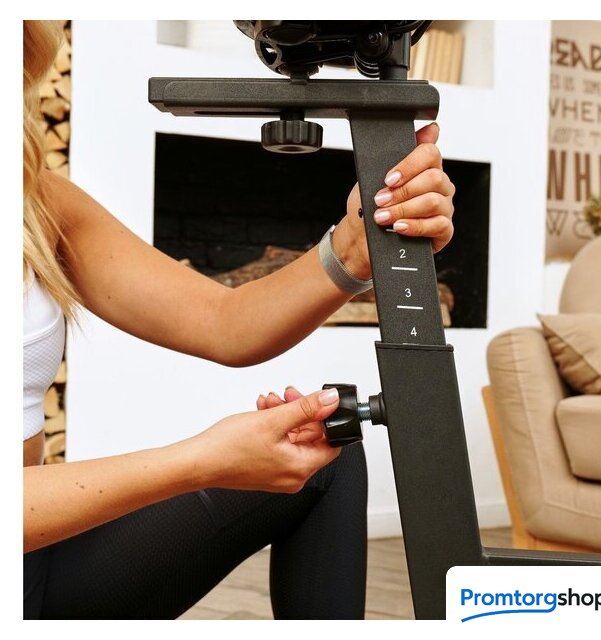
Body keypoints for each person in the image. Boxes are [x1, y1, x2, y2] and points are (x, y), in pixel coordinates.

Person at [23, 20, 456, 620]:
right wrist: (201, 460)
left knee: (324, 453)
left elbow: (222, 321)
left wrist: (355, 247)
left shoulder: (34, 201)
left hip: (30, 567)